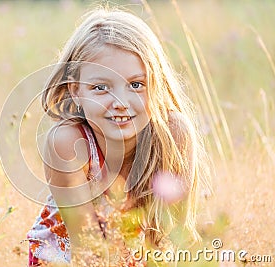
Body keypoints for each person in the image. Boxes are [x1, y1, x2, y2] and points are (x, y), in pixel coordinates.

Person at [26, 7, 210, 266]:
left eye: (136, 85)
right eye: (101, 88)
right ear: (75, 90)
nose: (121, 103)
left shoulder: (173, 135)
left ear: (155, 84)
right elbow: (88, 252)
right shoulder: (68, 143)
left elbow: (175, 238)